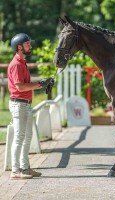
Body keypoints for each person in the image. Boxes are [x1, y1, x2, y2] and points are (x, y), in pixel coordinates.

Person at [7, 33, 52, 179]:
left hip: (25, 104)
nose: (30, 46)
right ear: (19, 47)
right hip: (18, 104)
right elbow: (20, 87)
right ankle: (15, 170)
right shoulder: (16, 65)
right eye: (27, 44)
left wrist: (42, 83)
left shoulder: (22, 62)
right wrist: (40, 84)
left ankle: (25, 168)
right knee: (20, 137)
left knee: (28, 136)